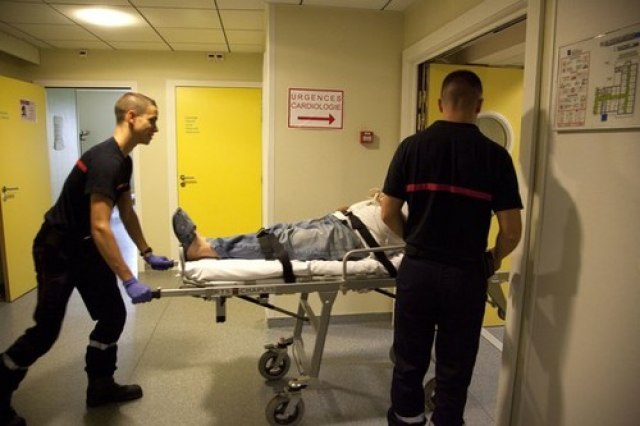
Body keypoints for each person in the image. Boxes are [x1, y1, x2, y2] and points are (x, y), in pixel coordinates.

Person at [0, 92, 174, 426]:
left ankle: (100, 386)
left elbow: (126, 211)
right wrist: (129, 279)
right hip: (57, 249)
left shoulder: (123, 160)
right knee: (46, 331)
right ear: (131, 117)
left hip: (85, 247)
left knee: (112, 315)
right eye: (152, 120)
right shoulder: (106, 161)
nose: (156, 128)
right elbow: (100, 225)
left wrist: (147, 252)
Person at [382, 70, 523, 426]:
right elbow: (511, 232)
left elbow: (387, 212)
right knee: (455, 365)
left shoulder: (411, 148)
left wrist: (413, 239)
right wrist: (492, 260)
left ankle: (407, 419)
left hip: (418, 270)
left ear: (440, 103)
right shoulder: (496, 157)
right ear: (479, 105)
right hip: (466, 275)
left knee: (409, 359)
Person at [173, 191, 404, 262]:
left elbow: (389, 214)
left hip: (354, 239)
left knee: (278, 243)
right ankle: (210, 243)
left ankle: (204, 249)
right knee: (275, 232)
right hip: (343, 221)